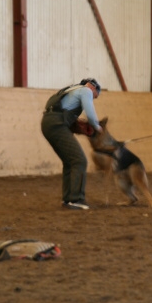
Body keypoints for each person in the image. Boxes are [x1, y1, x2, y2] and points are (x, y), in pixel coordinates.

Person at [41, 78, 103, 210]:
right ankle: (76, 199)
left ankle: (68, 199)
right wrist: (97, 127)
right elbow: (91, 115)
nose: (93, 99)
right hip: (57, 125)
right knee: (79, 161)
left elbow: (62, 109)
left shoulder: (71, 90)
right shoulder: (85, 90)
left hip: (48, 123)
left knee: (70, 161)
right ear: (93, 88)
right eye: (94, 97)